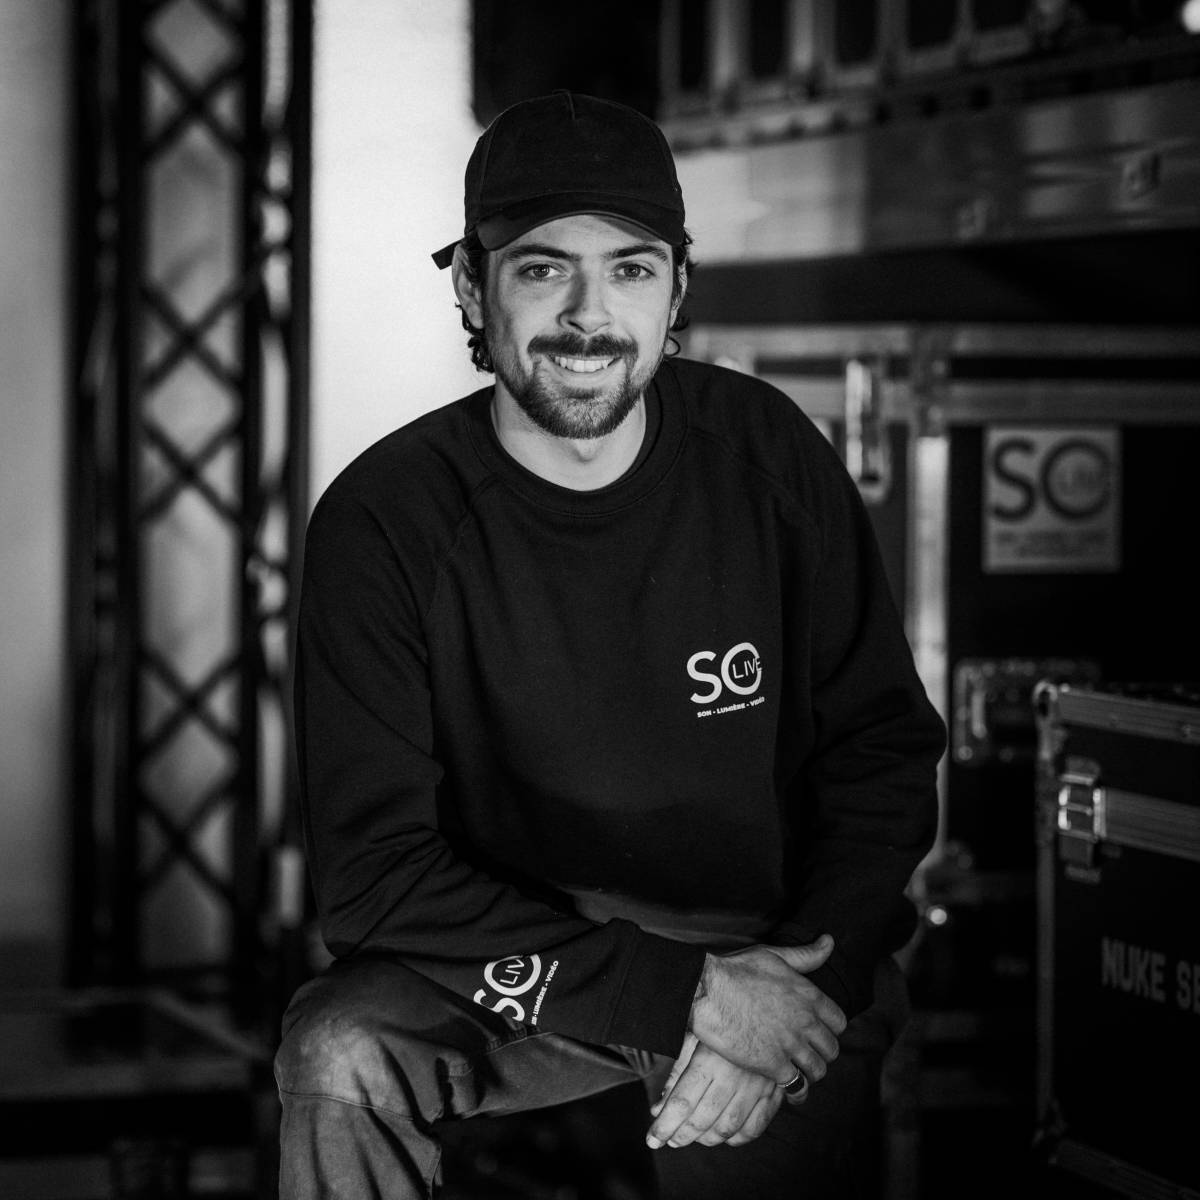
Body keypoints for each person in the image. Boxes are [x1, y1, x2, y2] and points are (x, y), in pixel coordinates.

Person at [274, 91, 945, 1200]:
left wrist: (792, 988)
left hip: (768, 951)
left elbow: (881, 755)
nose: (589, 317)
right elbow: (371, 877)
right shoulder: (386, 520)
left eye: (630, 270)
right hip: (517, 963)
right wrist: (682, 997)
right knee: (341, 1052)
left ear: (677, 291)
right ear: (471, 286)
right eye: (543, 269)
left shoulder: (769, 458)